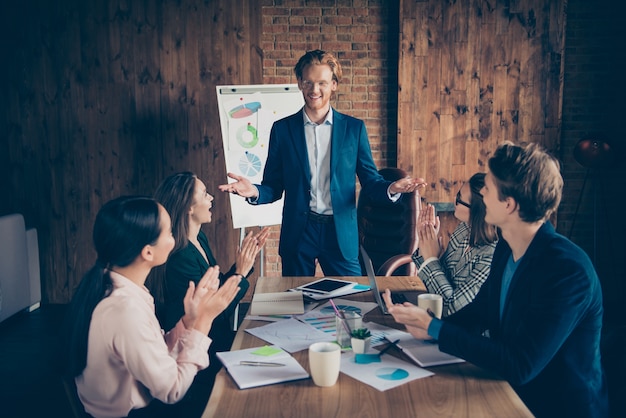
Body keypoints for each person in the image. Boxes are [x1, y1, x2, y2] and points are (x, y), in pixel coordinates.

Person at [383, 142, 608, 417]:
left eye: (488, 187)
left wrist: (436, 329)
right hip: (506, 390)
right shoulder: (506, 247)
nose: (483, 194)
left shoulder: (568, 272)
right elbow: (480, 312)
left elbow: (520, 364)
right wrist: (427, 326)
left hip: (551, 407)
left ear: (509, 204)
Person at [218, 49, 426, 276]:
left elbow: (370, 179)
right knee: (296, 303)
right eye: (308, 82)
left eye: (322, 83)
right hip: (299, 232)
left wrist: (391, 188)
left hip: (340, 234)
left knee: (352, 301)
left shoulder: (354, 129)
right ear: (299, 83)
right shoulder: (282, 130)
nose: (314, 90)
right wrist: (254, 192)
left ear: (334, 84)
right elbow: (273, 187)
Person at [59, 196, 242, 418]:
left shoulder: (120, 289)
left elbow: (154, 350)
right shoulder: (124, 308)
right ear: (148, 252)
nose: (174, 239)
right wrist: (204, 321)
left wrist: (189, 321)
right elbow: (172, 390)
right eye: (169, 233)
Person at [153, 172, 268, 412]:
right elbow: (214, 310)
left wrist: (240, 268)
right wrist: (240, 272)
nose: (212, 198)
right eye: (205, 194)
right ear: (188, 208)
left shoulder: (199, 239)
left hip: (213, 335)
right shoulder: (179, 255)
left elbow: (214, 291)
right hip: (198, 344)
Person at [413, 173, 498, 316]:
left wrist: (431, 260)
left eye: (459, 199)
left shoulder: (492, 254)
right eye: (458, 194)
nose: (454, 200)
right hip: (435, 319)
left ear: (477, 212)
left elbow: (452, 309)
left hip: (464, 333)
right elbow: (439, 281)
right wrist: (425, 242)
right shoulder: (463, 229)